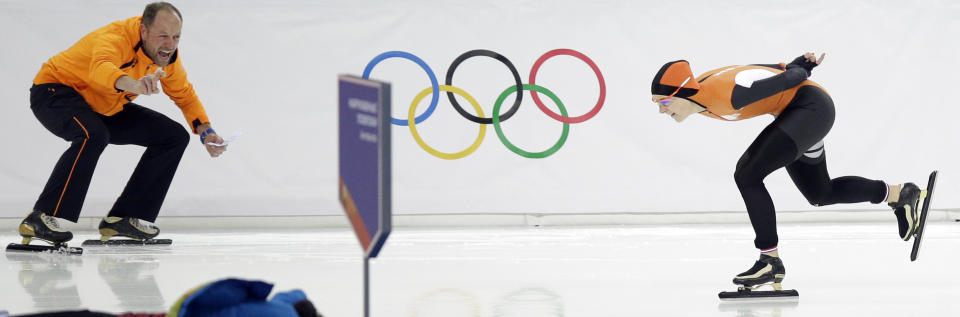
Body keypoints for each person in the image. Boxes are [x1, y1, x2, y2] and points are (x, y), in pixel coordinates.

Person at [650, 52, 921, 290]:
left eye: (664, 103)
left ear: (682, 93)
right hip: (798, 113)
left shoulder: (726, 94)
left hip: (809, 109)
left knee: (747, 175)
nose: (662, 112)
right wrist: (790, 63)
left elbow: (790, 80)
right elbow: (752, 69)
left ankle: (769, 261)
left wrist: (800, 68)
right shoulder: (700, 90)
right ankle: (900, 195)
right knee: (820, 193)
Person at [18, 2, 226, 246]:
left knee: (173, 136)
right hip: (55, 92)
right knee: (93, 135)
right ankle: (41, 217)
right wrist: (134, 85)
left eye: (176, 37)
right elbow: (101, 69)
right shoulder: (116, 37)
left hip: (101, 105)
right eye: (163, 36)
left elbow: (184, 93)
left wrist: (205, 130)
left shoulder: (167, 58)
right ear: (144, 30)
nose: (169, 45)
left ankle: (124, 218)